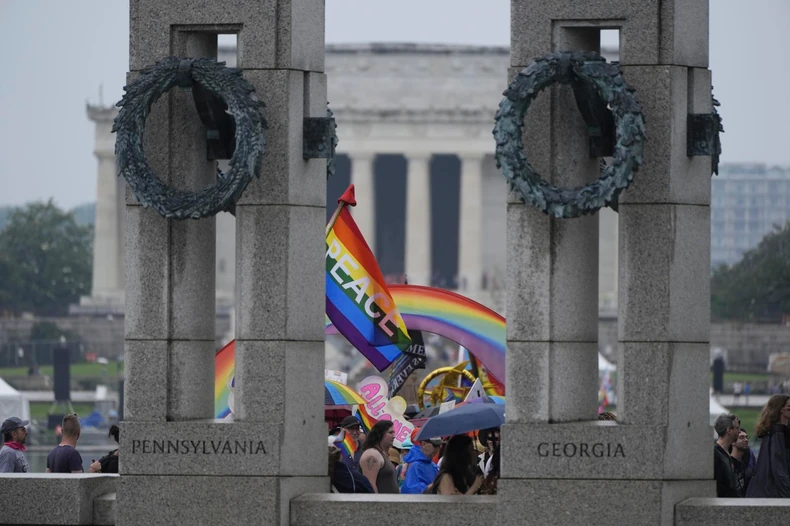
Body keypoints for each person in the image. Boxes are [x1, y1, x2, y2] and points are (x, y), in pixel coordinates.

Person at [746, 394, 790, 498]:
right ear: (780, 409)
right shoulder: (778, 433)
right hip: (775, 492)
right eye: (789, 407)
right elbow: (778, 467)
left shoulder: (771, 432)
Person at [359, 420, 399, 493]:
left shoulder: (381, 453)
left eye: (393, 433)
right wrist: (376, 500)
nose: (394, 436)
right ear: (380, 434)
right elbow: (370, 485)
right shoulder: (371, 454)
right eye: (390, 433)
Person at [713, 413, 740, 497]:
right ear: (729, 430)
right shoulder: (715, 455)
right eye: (737, 428)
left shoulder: (728, 452)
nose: (739, 431)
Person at [729, 430, 756, 497]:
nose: (746, 440)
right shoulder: (728, 464)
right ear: (733, 442)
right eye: (741, 437)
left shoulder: (744, 466)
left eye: (747, 437)